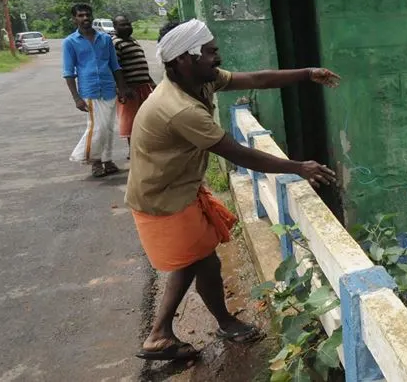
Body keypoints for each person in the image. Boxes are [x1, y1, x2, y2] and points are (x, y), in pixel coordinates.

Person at [126, 19, 339, 361]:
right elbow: (237, 153)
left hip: (178, 189)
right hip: (163, 197)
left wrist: (307, 73)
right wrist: (298, 167)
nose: (218, 57)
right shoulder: (178, 108)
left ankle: (162, 333)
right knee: (200, 261)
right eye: (210, 52)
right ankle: (187, 328)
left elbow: (257, 79)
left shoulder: (199, 83)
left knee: (198, 260)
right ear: (184, 59)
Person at [63, 4, 131, 178]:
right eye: (80, 15)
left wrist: (121, 88)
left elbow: (115, 65)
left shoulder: (105, 39)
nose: (85, 18)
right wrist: (76, 98)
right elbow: (69, 72)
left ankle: (107, 161)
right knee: (97, 127)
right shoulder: (70, 42)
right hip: (90, 90)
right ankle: (94, 161)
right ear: (74, 19)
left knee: (108, 128)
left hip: (109, 88)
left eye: (87, 14)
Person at [112, 15, 156, 158]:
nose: (126, 27)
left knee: (145, 118)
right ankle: (134, 151)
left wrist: (151, 81)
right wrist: (122, 88)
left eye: (128, 24)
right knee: (132, 121)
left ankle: (144, 148)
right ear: (115, 27)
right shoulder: (115, 43)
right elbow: (115, 67)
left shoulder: (133, 41)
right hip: (130, 88)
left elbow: (140, 63)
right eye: (122, 25)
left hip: (143, 86)